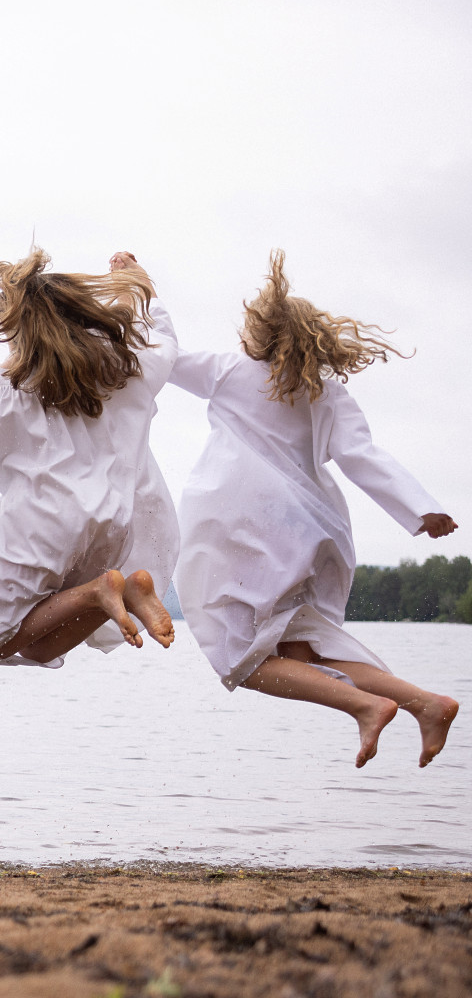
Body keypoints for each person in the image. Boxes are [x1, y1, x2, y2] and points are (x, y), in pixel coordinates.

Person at [171, 251, 458, 767]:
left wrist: (135, 292)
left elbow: (163, 356)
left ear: (258, 332)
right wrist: (422, 508)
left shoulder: (229, 371)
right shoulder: (326, 393)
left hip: (243, 533)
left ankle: (365, 706)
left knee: (239, 657)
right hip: (312, 531)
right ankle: (425, 703)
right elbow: (360, 457)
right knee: (303, 653)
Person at [0, 248, 180, 694]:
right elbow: (162, 341)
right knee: (41, 645)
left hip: (37, 532)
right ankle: (117, 591)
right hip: (111, 527)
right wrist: (142, 290)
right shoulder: (122, 369)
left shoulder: (1, 387)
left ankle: (99, 591)